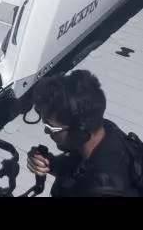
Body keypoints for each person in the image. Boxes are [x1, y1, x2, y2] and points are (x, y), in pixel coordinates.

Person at [27, 69, 140, 197]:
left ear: (80, 130)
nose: (46, 131)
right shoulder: (105, 128)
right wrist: (50, 163)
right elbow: (77, 163)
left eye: (51, 128)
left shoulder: (101, 189)